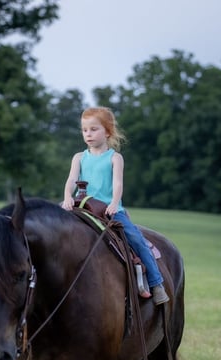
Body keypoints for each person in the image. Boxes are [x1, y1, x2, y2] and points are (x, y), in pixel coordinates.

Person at [60, 107, 169, 305]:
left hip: (109, 209)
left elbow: (118, 184)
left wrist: (113, 203)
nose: (88, 134)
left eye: (94, 129)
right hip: (81, 205)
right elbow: (71, 180)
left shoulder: (114, 158)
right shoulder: (79, 157)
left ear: (107, 132)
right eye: (85, 130)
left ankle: (156, 282)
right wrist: (67, 196)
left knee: (136, 239)